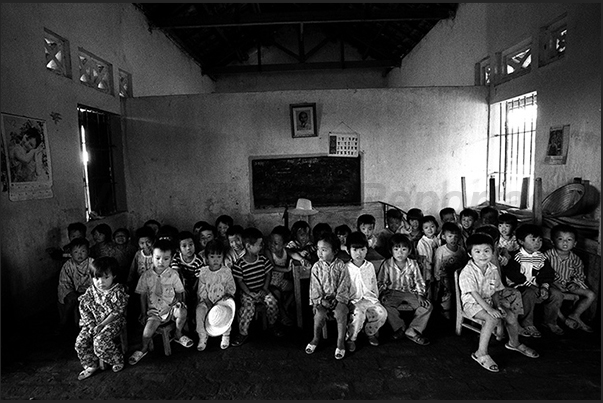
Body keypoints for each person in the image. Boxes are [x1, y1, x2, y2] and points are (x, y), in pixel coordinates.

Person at [459, 233, 539, 373]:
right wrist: (490, 309)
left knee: (511, 316)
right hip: (472, 304)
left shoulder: (493, 269)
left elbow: (495, 290)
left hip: (490, 302)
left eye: (486, 251)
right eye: (477, 251)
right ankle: (480, 353)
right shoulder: (467, 272)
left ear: (492, 252)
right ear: (470, 254)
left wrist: (498, 306)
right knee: (491, 318)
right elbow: (474, 294)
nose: (482, 255)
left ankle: (514, 343)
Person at [128, 239, 193, 365]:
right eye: (157, 258)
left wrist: (179, 303)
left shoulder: (173, 275)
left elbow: (179, 291)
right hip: (154, 312)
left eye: (166, 259)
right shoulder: (146, 276)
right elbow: (142, 295)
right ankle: (144, 348)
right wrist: (143, 312)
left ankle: (178, 334)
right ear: (152, 257)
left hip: (171, 308)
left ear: (172, 259)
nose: (161, 262)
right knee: (147, 332)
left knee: (182, 311)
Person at [502, 224, 565, 337]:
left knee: (557, 294)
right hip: (520, 286)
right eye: (533, 239)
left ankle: (550, 322)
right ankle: (527, 322)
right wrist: (531, 286)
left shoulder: (541, 257)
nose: (537, 242)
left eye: (540, 239)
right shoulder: (516, 257)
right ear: (521, 241)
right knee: (529, 293)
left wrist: (544, 286)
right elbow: (514, 276)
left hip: (538, 286)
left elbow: (547, 273)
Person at [74, 256, 128, 380]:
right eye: (96, 278)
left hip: (113, 322)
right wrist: (92, 324)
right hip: (94, 323)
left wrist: (102, 324)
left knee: (99, 342)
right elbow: (84, 308)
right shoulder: (91, 291)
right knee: (80, 342)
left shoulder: (118, 291)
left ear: (114, 276)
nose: (100, 282)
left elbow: (117, 312)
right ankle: (91, 364)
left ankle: (117, 360)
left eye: (105, 277)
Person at [230, 227, 283, 347]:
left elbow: (268, 273)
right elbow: (240, 281)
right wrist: (249, 293)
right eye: (259, 244)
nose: (262, 246)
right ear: (248, 246)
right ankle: (242, 333)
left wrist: (265, 288)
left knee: (273, 302)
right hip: (247, 293)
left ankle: (273, 324)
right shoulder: (240, 264)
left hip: (262, 290)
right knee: (247, 309)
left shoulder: (263, 260)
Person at [376, 233, 432, 346]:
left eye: (404, 249)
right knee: (384, 305)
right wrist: (381, 293)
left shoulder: (413, 264)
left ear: (409, 251)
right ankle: (399, 327)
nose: (400, 253)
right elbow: (380, 281)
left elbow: (419, 281)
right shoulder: (387, 264)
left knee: (427, 306)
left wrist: (420, 295)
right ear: (391, 251)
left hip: (410, 292)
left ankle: (413, 330)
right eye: (396, 249)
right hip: (393, 292)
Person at [305, 232, 350, 360]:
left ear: (335, 251)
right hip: (322, 300)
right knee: (319, 314)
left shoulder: (341, 265)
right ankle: (315, 338)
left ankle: (340, 342)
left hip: (337, 299)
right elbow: (314, 286)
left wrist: (338, 299)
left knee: (341, 313)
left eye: (324, 250)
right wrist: (320, 300)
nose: (320, 253)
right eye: (318, 249)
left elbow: (344, 284)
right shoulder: (316, 267)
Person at [544, 224, 595, 333]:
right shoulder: (546, 256)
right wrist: (553, 283)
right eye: (560, 239)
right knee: (556, 296)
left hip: (568, 284)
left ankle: (575, 315)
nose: (565, 242)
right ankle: (562, 319)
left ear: (575, 243)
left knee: (590, 295)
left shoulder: (575, 259)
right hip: (553, 286)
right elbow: (541, 274)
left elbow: (579, 274)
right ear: (553, 241)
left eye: (569, 239)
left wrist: (575, 283)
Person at [344, 232, 387, 352]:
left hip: (369, 299)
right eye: (355, 250)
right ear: (348, 251)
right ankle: (351, 338)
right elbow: (344, 288)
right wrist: (346, 301)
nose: (359, 253)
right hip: (354, 300)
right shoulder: (346, 268)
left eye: (362, 249)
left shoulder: (370, 266)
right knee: (358, 315)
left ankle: (370, 331)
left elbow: (373, 284)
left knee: (382, 313)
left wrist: (376, 299)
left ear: (367, 250)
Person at [195, 240, 237, 350]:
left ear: (223, 257)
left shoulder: (226, 271)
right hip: (207, 300)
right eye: (212, 256)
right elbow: (201, 289)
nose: (215, 260)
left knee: (227, 312)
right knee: (199, 310)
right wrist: (207, 301)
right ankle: (203, 336)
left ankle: (225, 335)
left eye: (219, 256)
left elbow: (231, 285)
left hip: (222, 301)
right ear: (207, 257)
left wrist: (228, 295)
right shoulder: (204, 272)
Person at [57, 238, 94, 336]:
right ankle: (64, 322)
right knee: (72, 299)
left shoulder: (93, 263)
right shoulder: (68, 265)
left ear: (88, 251)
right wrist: (72, 292)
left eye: (83, 251)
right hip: (72, 291)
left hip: (90, 290)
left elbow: (98, 279)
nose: (80, 254)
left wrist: (88, 289)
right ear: (71, 253)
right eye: (76, 252)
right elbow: (64, 282)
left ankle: (83, 327)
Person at [433, 222, 468, 320]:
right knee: (447, 294)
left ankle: (458, 310)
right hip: (444, 277)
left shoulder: (461, 250)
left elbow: (465, 264)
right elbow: (437, 264)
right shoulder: (441, 250)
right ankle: (446, 310)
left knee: (458, 293)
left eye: (456, 236)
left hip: (458, 277)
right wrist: (437, 277)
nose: (453, 239)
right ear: (444, 237)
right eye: (450, 236)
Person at [171, 231, 204, 329]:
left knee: (194, 300)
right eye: (184, 246)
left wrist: (193, 290)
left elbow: (199, 279)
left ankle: (192, 320)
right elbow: (175, 274)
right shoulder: (176, 257)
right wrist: (182, 287)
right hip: (179, 284)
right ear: (179, 249)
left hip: (193, 285)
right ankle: (182, 321)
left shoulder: (198, 260)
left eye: (191, 245)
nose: (188, 248)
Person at [264, 225, 294, 327]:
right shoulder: (268, 252)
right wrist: (286, 269)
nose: (272, 245)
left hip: (280, 281)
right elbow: (271, 266)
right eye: (270, 241)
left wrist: (303, 258)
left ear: (285, 244)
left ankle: (285, 308)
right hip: (269, 283)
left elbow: (294, 254)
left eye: (276, 243)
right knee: (277, 294)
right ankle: (283, 315)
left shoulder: (285, 251)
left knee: (296, 288)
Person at [415, 215, 440, 299]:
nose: (430, 229)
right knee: (428, 286)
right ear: (422, 230)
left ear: (436, 227)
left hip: (437, 266)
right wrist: (429, 265)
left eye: (432, 226)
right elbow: (423, 258)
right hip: (427, 268)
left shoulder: (437, 240)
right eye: (426, 227)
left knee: (437, 286)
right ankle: (429, 303)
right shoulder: (421, 242)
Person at [127, 226, 156, 293]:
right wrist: (129, 281)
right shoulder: (138, 254)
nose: (145, 245)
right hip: (140, 283)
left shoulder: (157, 254)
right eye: (142, 243)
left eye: (148, 242)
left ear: (153, 241)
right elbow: (133, 268)